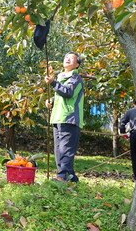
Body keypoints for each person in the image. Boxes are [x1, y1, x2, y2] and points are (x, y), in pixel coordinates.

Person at [45, 52, 84, 182]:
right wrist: (51, 100)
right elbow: (61, 96)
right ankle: (71, 178)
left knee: (65, 149)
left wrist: (53, 83)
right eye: (66, 57)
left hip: (70, 118)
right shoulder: (61, 77)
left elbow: (68, 92)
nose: (67, 59)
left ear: (77, 64)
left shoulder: (75, 78)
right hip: (58, 118)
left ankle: (62, 176)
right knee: (58, 150)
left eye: (71, 58)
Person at [119, 100, 136, 180]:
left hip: (135, 134)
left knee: (135, 156)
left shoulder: (130, 111)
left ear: (134, 104)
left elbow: (122, 122)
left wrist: (123, 132)